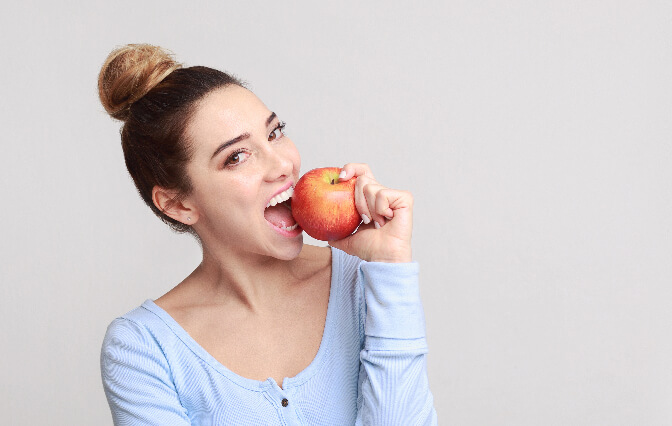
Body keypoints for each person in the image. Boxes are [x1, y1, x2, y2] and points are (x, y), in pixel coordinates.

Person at [98, 44, 437, 425]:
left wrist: (391, 266)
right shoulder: (144, 350)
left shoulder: (363, 280)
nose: (282, 164)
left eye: (275, 133)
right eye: (237, 156)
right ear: (178, 204)